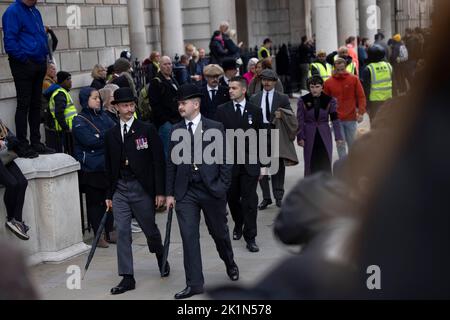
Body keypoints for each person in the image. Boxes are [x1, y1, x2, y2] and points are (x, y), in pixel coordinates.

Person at [166, 84, 238, 299]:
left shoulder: (215, 127)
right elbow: (170, 164)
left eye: (184, 103)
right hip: (185, 191)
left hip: (211, 189)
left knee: (219, 233)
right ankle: (195, 284)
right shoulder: (175, 130)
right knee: (189, 237)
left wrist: (221, 185)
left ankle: (230, 262)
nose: (180, 106)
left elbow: (226, 159)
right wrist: (170, 193)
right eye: (179, 103)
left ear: (195, 105)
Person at [104, 87, 169, 295]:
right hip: (120, 189)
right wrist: (108, 194)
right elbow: (109, 166)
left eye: (132, 105)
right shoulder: (111, 134)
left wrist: (160, 191)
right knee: (122, 230)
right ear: (116, 108)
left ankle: (160, 255)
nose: (130, 109)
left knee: (150, 230)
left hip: (141, 188)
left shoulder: (146, 129)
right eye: (125, 105)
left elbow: (159, 161)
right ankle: (127, 276)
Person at [215, 76, 263, 252]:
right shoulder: (221, 110)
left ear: (243, 90)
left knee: (250, 200)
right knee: (232, 198)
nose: (230, 91)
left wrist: (264, 164)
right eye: (229, 88)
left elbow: (263, 137)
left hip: (250, 163)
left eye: (234, 88)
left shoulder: (255, 111)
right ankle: (238, 223)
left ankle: (251, 236)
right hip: (230, 163)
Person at [2, 0, 55, 157]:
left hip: (38, 63)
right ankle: (23, 145)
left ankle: (36, 142)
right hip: (23, 64)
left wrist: (44, 58)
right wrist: (25, 60)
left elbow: (40, 37)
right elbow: (10, 41)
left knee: (36, 104)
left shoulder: (35, 11)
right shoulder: (13, 11)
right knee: (24, 104)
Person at [72, 87, 116, 248]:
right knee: (95, 202)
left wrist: (101, 136)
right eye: (94, 98)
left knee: (109, 199)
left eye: (98, 97)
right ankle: (98, 234)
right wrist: (106, 136)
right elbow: (89, 141)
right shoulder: (79, 120)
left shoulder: (104, 116)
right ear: (85, 101)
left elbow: (115, 132)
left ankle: (110, 230)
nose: (98, 100)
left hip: (106, 165)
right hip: (91, 168)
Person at [249, 69, 292, 210]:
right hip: (260, 131)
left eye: (269, 80)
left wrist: (283, 115)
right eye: (264, 80)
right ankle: (266, 198)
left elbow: (290, 115)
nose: (266, 82)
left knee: (278, 165)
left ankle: (279, 196)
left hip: (275, 131)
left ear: (274, 82)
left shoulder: (282, 98)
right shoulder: (255, 98)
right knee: (262, 166)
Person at [297, 76, 343, 176]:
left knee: (325, 159)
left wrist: (338, 137)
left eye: (317, 86)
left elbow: (335, 119)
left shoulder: (329, 100)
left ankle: (326, 186)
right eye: (312, 87)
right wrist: (300, 137)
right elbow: (300, 120)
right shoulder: (303, 100)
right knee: (310, 161)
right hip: (309, 134)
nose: (314, 89)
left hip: (324, 133)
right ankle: (310, 186)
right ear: (309, 87)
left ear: (322, 87)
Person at [324, 58, 366, 159]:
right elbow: (324, 101)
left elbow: (361, 96)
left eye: (342, 69)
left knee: (352, 144)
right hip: (336, 119)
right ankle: (344, 166)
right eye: (338, 70)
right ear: (335, 68)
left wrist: (361, 112)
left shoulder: (354, 79)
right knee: (340, 144)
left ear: (345, 67)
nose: (340, 72)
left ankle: (353, 165)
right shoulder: (328, 82)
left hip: (351, 118)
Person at [0, 119, 29, 240]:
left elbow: (14, 140)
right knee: (12, 184)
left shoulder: (1, 125)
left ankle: (18, 220)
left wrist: (4, 142)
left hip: (5, 157)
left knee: (23, 182)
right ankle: (11, 218)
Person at [148, 56, 180, 158]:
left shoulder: (173, 79)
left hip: (177, 120)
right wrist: (165, 121)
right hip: (166, 123)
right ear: (160, 66)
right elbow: (154, 104)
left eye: (170, 64)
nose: (168, 66)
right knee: (168, 152)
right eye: (165, 64)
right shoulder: (156, 82)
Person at [44, 71, 77, 154]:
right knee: (68, 153)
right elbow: (59, 113)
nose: (71, 81)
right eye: (68, 79)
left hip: (66, 129)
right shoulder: (60, 94)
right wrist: (66, 128)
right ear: (62, 81)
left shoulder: (63, 92)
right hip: (63, 131)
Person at [361, 45, 393, 122]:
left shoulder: (368, 68)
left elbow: (366, 88)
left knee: (375, 121)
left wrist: (367, 104)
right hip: (388, 97)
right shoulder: (388, 66)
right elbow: (393, 82)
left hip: (375, 101)